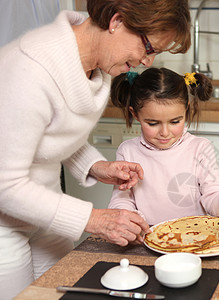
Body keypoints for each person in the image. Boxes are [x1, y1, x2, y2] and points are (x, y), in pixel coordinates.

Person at [0, 1, 191, 298]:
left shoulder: (95, 68)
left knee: (65, 292)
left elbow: (48, 133)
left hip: (45, 211)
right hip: (4, 222)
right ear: (117, 21)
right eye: (149, 48)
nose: (147, 62)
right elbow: (4, 184)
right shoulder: (31, 68)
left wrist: (96, 167)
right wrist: (92, 219)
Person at [108, 68, 219, 236]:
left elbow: (212, 193)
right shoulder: (127, 151)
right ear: (135, 114)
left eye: (175, 121)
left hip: (194, 240)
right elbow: (122, 199)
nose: (165, 132)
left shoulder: (200, 148)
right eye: (152, 123)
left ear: (186, 110)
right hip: (147, 238)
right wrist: (130, 220)